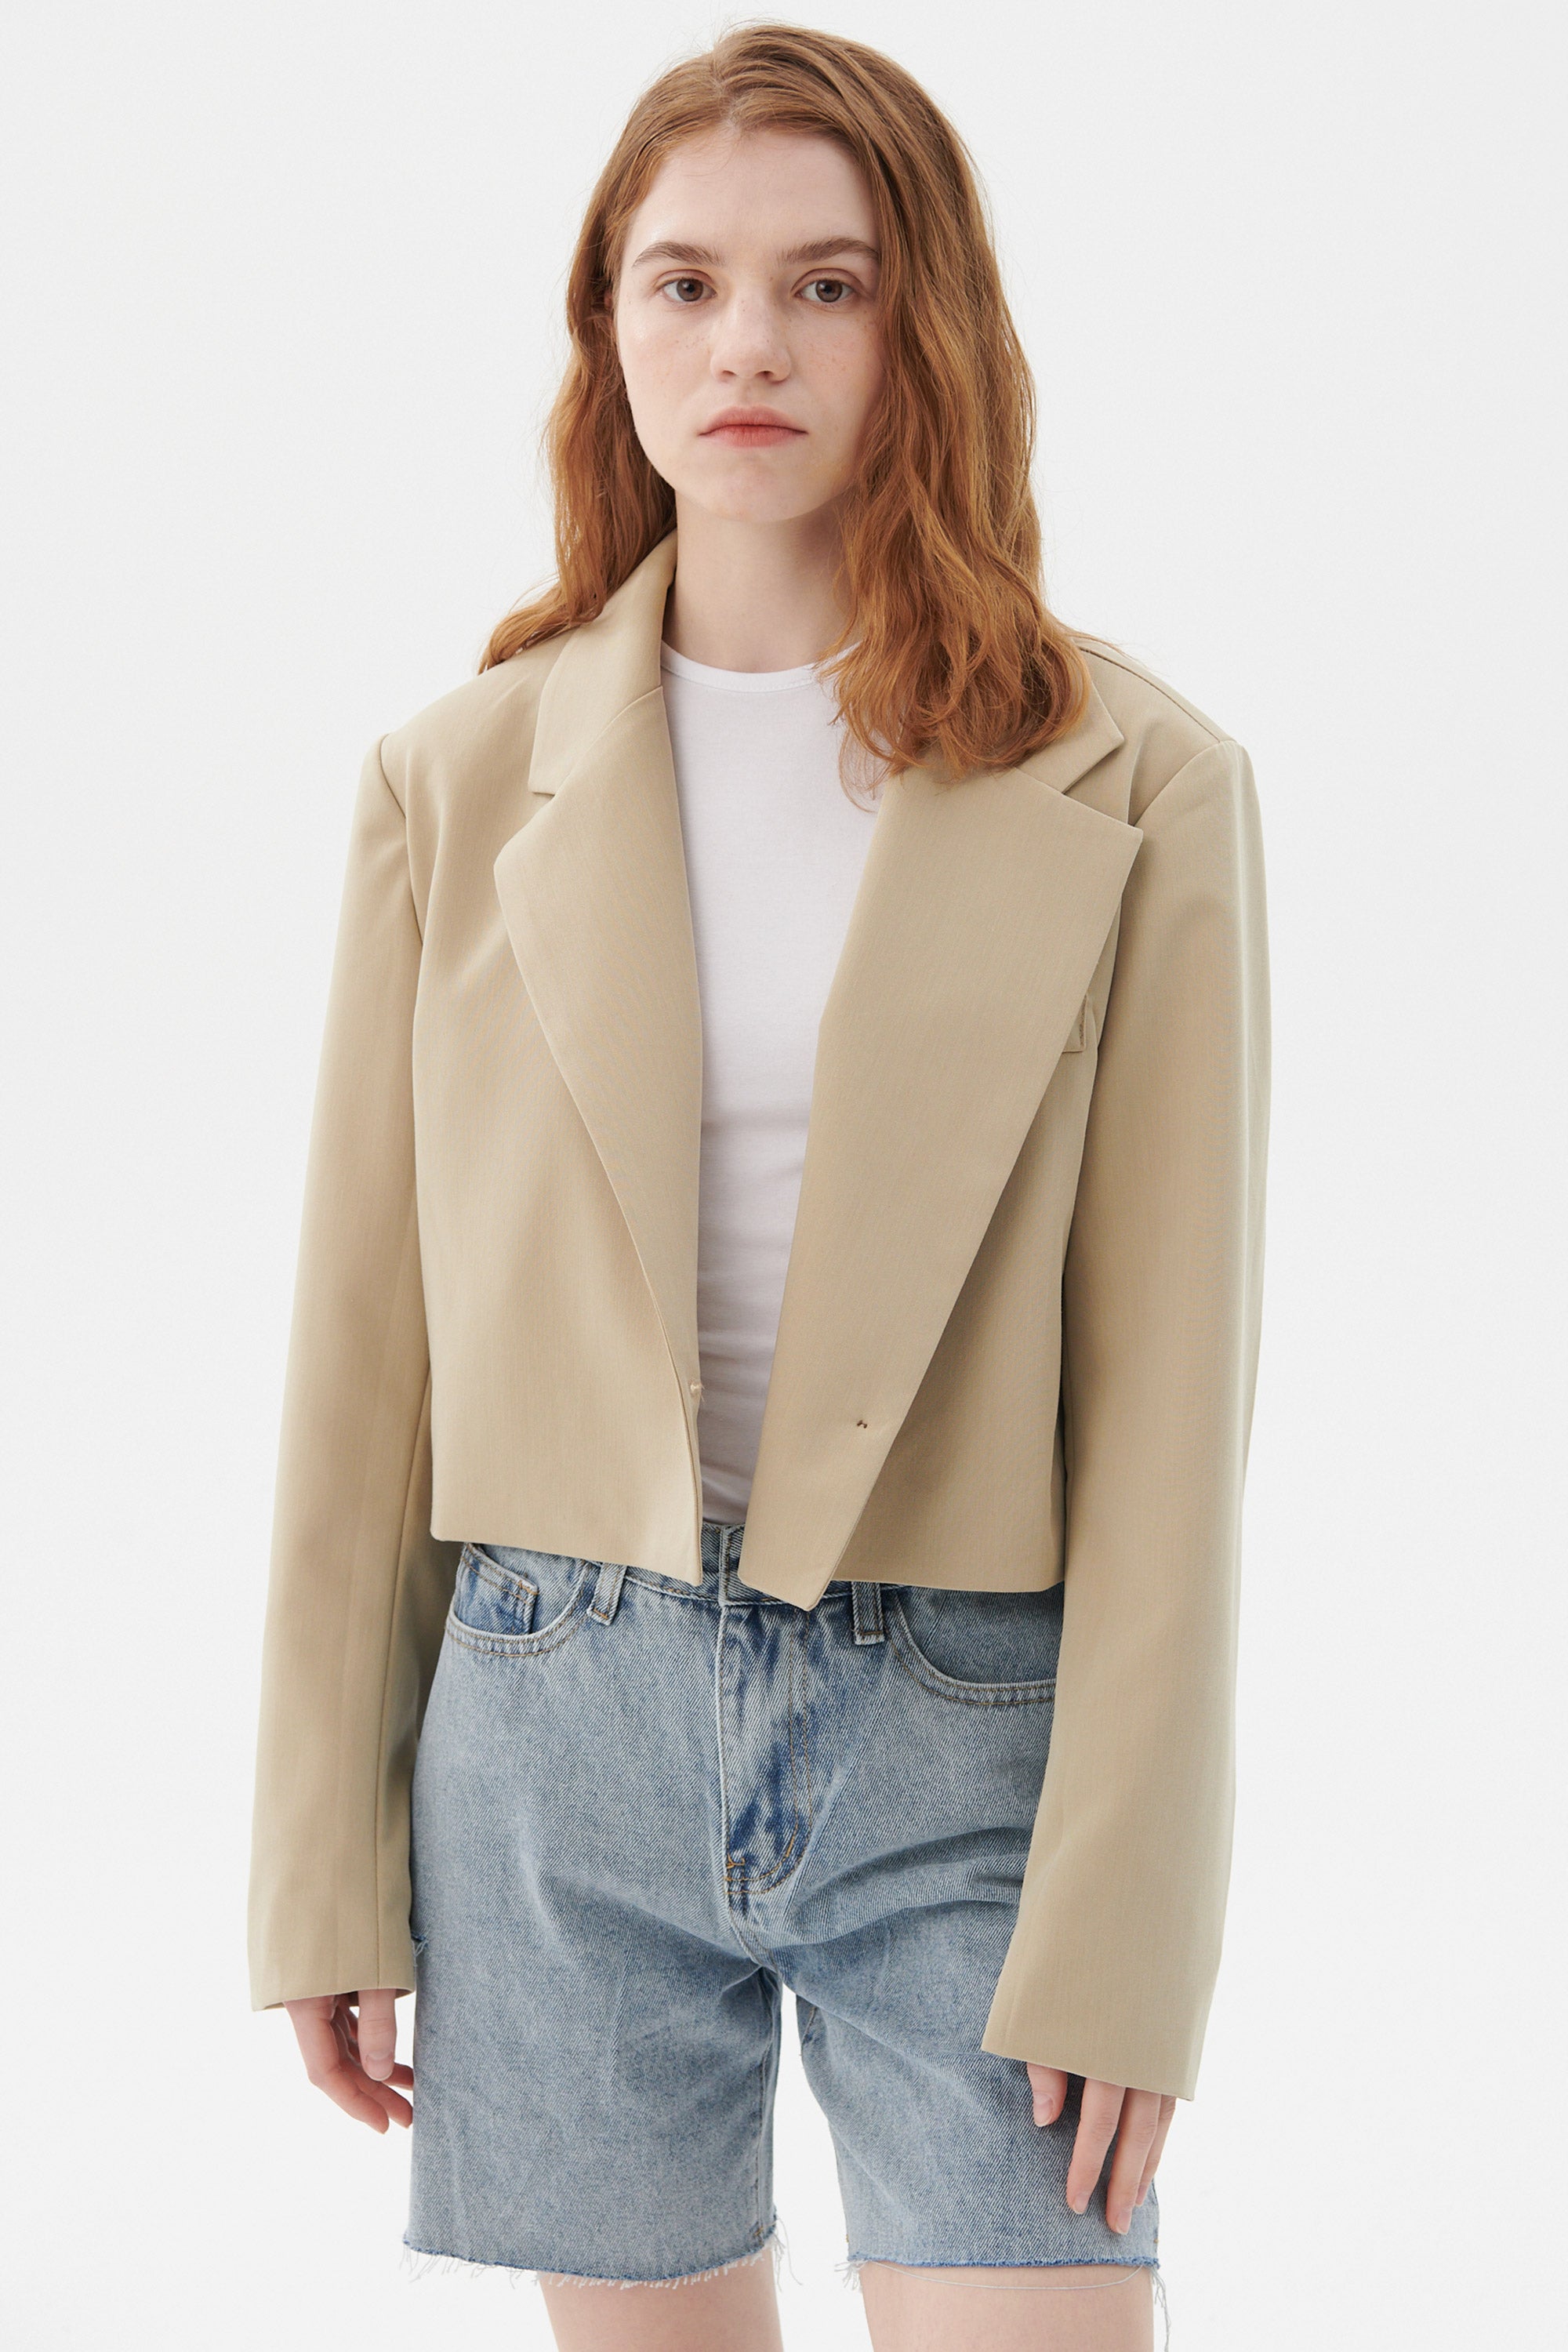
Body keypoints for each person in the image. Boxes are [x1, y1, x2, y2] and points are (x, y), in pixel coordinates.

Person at [248, 23, 1269, 2351]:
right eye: (685, 283)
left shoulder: (1141, 785)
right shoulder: (452, 781)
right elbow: (363, 1362)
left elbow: (1173, 1403)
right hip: (553, 1722)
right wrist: (320, 1853)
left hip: (970, 1729)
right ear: (608, 330)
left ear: (930, 327)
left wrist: (1138, 1924)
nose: (748, 347)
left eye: (828, 285)